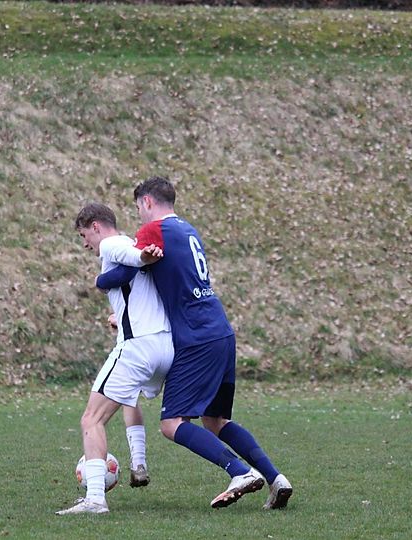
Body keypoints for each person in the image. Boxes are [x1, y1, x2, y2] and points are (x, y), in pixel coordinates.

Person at [108, 176, 293, 510]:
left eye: (138, 207)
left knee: (171, 424)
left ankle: (239, 472)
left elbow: (125, 273)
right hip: (220, 329)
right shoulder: (188, 229)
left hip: (196, 337)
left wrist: (99, 279)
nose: (138, 215)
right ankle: (276, 478)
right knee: (216, 421)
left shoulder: (153, 230)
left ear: (147, 202)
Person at [56, 203, 174, 516]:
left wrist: (142, 257)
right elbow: (137, 285)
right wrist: (119, 316)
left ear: (95, 226)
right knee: (131, 399)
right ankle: (139, 463)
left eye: (84, 235)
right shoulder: (132, 247)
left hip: (138, 347)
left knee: (91, 419)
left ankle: (95, 499)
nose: (85, 244)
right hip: (165, 345)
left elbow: (132, 256)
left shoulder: (114, 244)